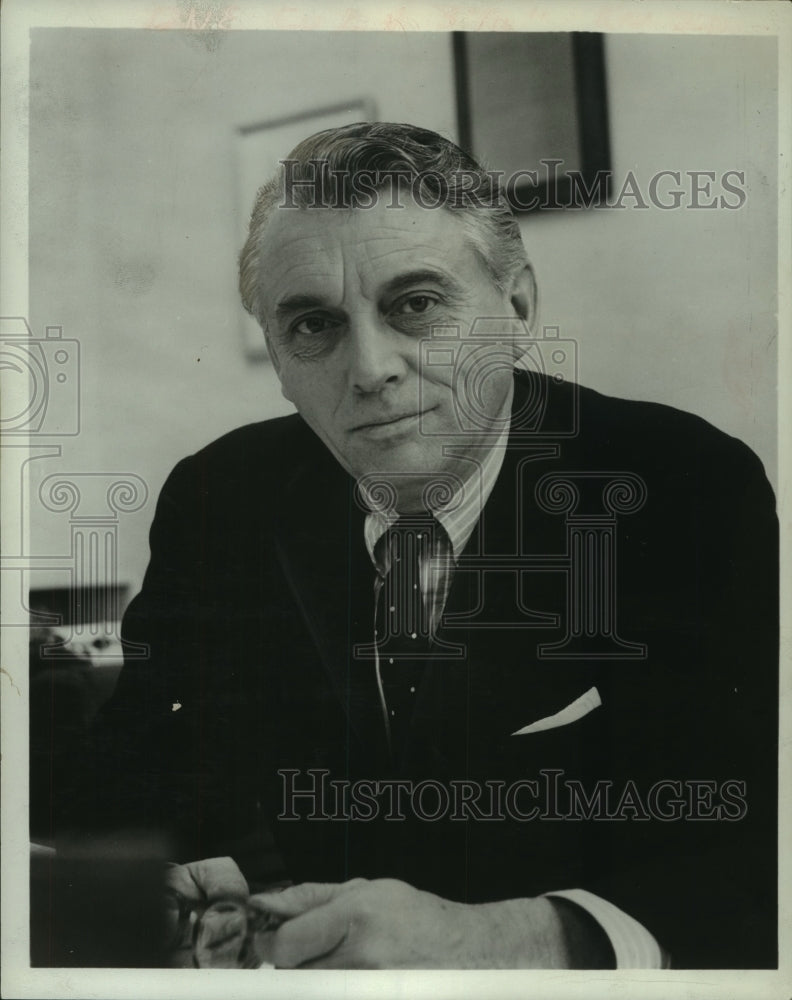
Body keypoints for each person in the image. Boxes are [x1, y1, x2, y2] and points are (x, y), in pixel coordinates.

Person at [63, 123, 778, 969]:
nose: (370, 369)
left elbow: (758, 847)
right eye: (315, 324)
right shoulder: (222, 496)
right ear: (280, 360)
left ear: (518, 309)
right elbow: (139, 774)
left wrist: (506, 941)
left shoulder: (680, 486)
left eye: (416, 304)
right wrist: (158, 876)